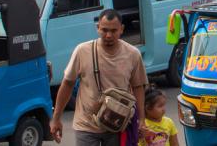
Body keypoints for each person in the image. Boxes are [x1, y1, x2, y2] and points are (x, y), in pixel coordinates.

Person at [50, 9, 148, 146]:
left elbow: (138, 87)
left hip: (117, 125)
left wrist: (141, 120)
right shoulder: (82, 51)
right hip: (86, 125)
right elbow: (67, 84)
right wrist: (56, 118)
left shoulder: (133, 54)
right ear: (98, 28)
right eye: (104, 30)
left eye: (113, 31)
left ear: (122, 29)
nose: (108, 35)